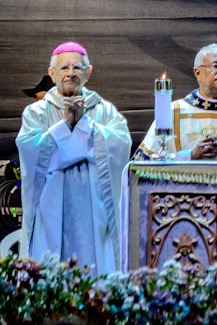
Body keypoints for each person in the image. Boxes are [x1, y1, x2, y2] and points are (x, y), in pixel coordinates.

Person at [17, 41, 131, 272]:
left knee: (94, 265)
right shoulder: (37, 112)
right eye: (64, 68)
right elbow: (30, 148)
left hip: (93, 205)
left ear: (88, 73)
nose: (70, 73)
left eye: (77, 68)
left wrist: (84, 124)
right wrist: (67, 124)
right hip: (51, 204)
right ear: (52, 73)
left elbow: (121, 145)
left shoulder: (104, 110)